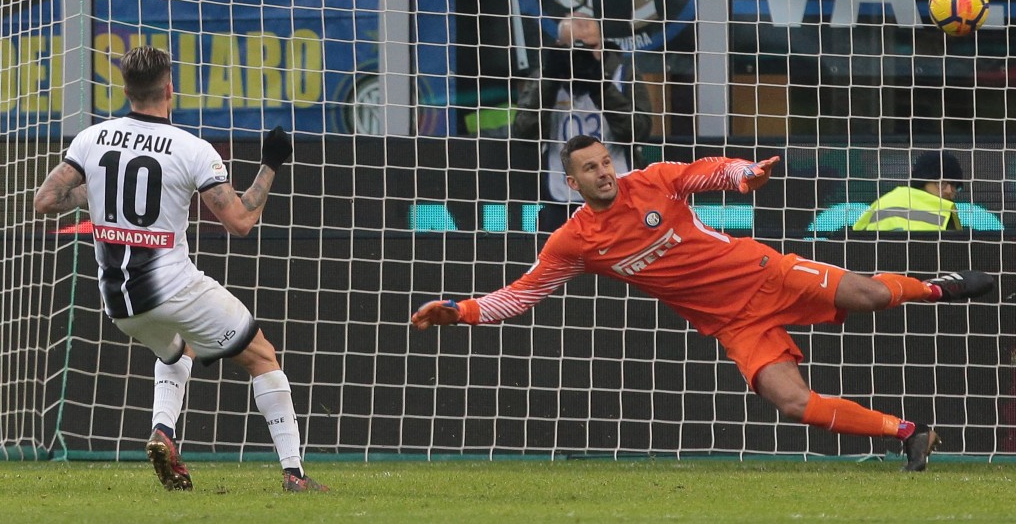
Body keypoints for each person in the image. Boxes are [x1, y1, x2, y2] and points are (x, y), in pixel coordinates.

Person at [411, 135, 995, 472]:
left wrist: (745, 174)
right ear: (572, 184)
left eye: (606, 161)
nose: (604, 172)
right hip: (734, 324)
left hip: (765, 272)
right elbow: (524, 293)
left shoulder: (652, 180)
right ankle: (907, 432)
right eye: (590, 168)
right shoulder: (575, 242)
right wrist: (461, 311)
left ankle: (939, 286)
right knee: (793, 402)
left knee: (869, 294)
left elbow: (708, 172)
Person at [33, 46, 327, 493]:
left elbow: (45, 201)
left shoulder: (92, 139)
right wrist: (271, 164)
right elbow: (240, 221)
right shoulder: (192, 149)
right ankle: (295, 474)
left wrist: (97, 194)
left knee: (178, 350)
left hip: (120, 302)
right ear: (170, 89)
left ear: (125, 90)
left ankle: (163, 432)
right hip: (173, 286)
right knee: (261, 355)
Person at [513, 15, 652, 231]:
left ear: (602, 44)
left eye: (592, 47)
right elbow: (524, 132)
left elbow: (640, 131)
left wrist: (601, 87)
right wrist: (550, 81)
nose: (584, 54)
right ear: (560, 46)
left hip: (618, 196)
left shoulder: (623, 73)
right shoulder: (544, 77)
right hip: (562, 198)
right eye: (576, 47)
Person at [853, 151, 965, 231]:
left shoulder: (884, 202)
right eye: (942, 184)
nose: (949, 190)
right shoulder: (942, 212)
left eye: (955, 186)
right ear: (923, 181)